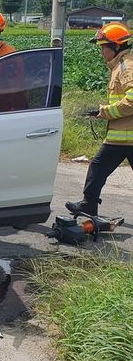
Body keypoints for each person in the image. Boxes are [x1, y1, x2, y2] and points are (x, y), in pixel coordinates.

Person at [66, 21, 133, 216]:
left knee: (97, 167)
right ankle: (88, 205)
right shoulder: (120, 65)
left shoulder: (126, 66)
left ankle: (88, 205)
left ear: (116, 46)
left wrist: (105, 112)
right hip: (123, 136)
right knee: (98, 168)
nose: (101, 51)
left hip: (125, 136)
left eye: (104, 47)